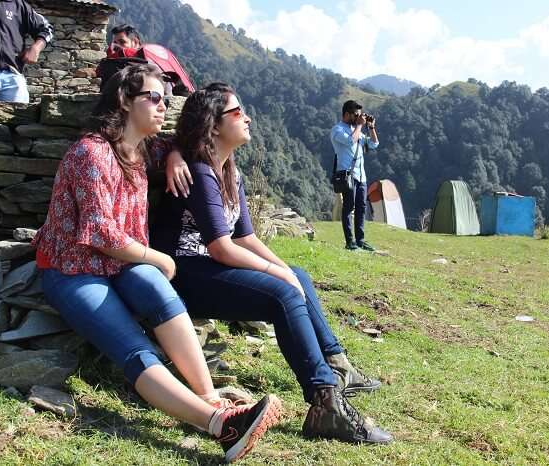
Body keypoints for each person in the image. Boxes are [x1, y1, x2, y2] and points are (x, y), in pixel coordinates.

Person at [31, 65, 280, 464]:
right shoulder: (90, 153)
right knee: (132, 345)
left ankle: (208, 397)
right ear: (125, 102)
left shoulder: (146, 148)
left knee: (160, 293)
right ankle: (221, 426)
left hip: (120, 265)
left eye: (166, 98)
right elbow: (99, 233)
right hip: (73, 269)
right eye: (155, 98)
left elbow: (181, 144)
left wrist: (176, 156)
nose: (164, 106)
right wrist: (156, 255)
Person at [151, 82, 393, 445]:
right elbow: (220, 248)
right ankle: (325, 402)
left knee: (298, 276)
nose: (246, 117)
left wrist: (285, 270)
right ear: (213, 125)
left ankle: (338, 365)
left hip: (211, 265)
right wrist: (278, 275)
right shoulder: (200, 172)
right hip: (185, 272)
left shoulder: (230, 170)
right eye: (237, 112)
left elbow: (246, 238)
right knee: (283, 292)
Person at [331, 100, 379, 251]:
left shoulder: (356, 130)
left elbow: (373, 144)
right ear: (347, 114)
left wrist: (371, 128)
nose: (359, 117)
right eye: (356, 114)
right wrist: (359, 126)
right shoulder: (337, 130)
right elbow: (350, 141)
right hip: (347, 175)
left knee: (361, 207)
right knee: (348, 207)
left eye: (360, 115)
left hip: (361, 175)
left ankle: (360, 240)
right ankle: (349, 241)